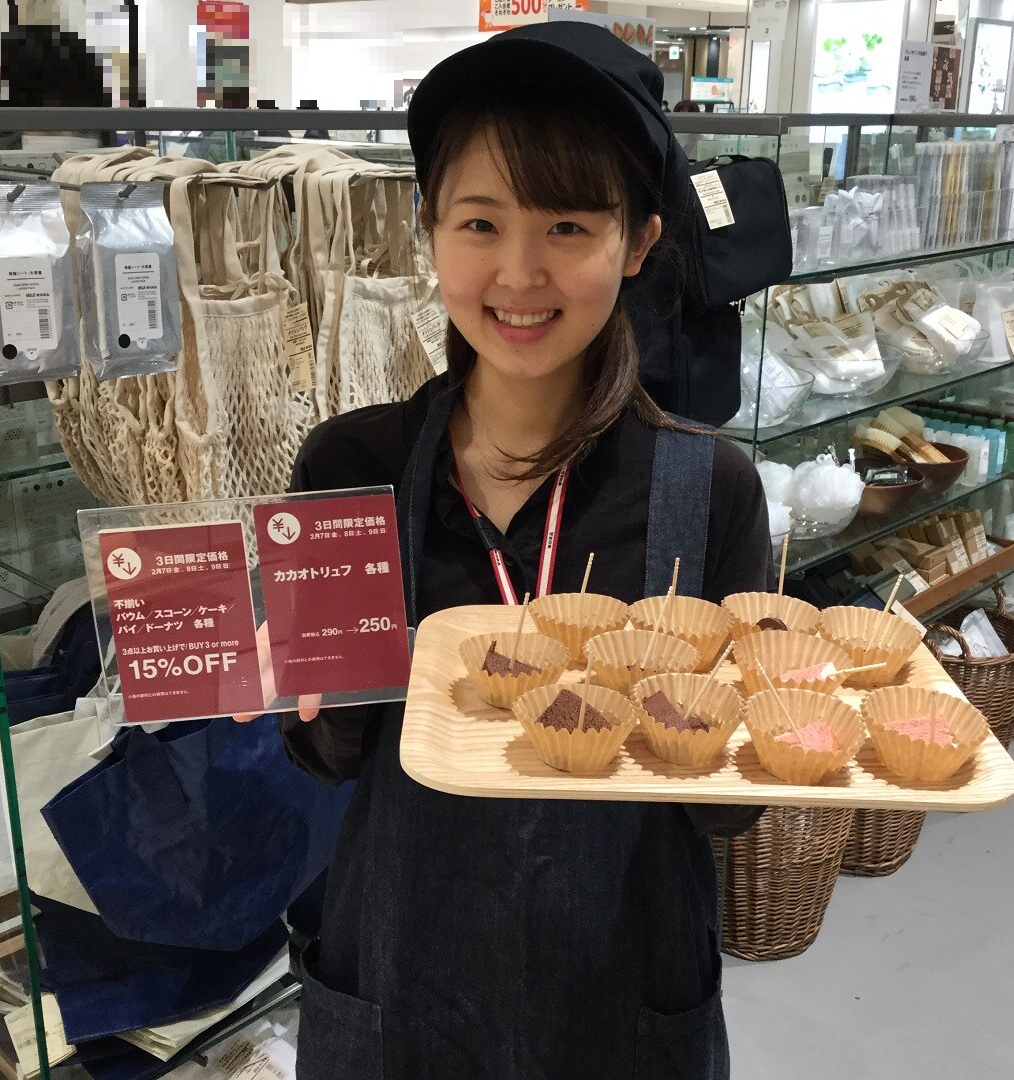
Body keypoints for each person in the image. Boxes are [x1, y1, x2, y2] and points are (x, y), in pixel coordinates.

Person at [241, 21, 771, 1080]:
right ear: (429, 229)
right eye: (480, 222)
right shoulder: (350, 466)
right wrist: (304, 698)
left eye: (568, 225)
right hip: (398, 993)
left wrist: (755, 739)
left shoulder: (709, 486)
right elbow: (329, 758)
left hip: (626, 997)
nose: (520, 273)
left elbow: (731, 808)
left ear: (639, 241)